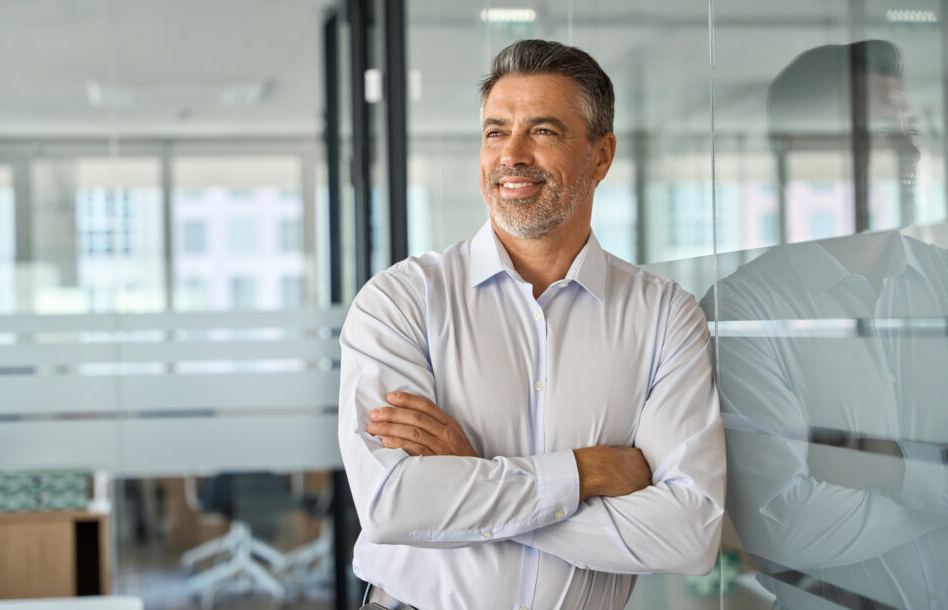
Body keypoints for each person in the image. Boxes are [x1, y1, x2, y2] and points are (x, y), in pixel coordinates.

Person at [339, 39, 726, 609]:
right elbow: (393, 504)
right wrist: (585, 473)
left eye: (542, 131)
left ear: (601, 156)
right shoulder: (402, 301)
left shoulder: (664, 316)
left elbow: (687, 535)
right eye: (496, 132)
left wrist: (470, 478)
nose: (511, 155)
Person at [701, 41, 948, 608]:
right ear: (806, 150)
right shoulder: (744, 312)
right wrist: (932, 488)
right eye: (883, 129)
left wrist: (890, 472)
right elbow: (781, 528)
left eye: (910, 128)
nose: (911, 150)